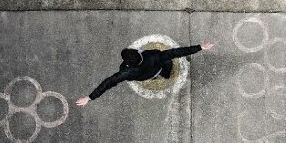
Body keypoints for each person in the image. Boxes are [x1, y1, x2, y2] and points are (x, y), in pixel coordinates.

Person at [75, 42, 215, 105]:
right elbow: (176, 52)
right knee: (168, 65)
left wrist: (90, 97)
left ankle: (162, 76)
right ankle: (166, 74)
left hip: (147, 76)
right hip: (159, 66)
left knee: (157, 74)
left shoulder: (126, 71)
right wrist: (200, 47)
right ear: (138, 53)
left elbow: (109, 82)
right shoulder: (154, 56)